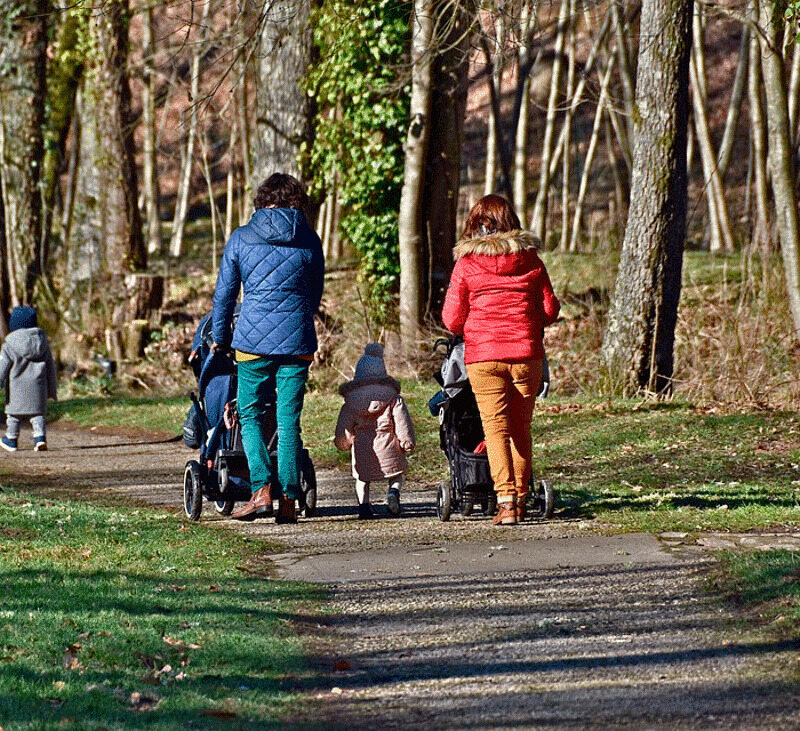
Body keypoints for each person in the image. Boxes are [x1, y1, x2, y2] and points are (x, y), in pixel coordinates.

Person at [212, 173, 324, 523]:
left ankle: (261, 489)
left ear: (261, 201)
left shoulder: (242, 237)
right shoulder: (308, 239)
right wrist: (301, 318)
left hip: (252, 343)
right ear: (296, 202)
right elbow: (315, 291)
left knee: (250, 415)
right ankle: (289, 498)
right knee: (288, 420)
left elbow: (225, 294)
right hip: (297, 341)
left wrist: (220, 336)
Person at [441, 195, 560, 526]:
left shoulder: (466, 265)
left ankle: (506, 503)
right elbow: (550, 310)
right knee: (521, 429)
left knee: (495, 429)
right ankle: (522, 500)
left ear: (475, 224)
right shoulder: (531, 261)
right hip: (525, 355)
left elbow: (451, 320)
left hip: (484, 358)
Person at [334, 343, 416, 519]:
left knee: (362, 479)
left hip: (363, 447)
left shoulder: (350, 402)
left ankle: (364, 506)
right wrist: (406, 442)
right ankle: (393, 493)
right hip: (389, 445)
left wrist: (344, 441)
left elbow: (344, 426)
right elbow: (402, 422)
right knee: (396, 475)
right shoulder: (392, 397)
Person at [0, 305, 58, 452]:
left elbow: (2, 367)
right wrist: (52, 390)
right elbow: (51, 368)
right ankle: (40, 439)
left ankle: (11, 440)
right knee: (38, 415)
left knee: (13, 416)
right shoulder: (43, 342)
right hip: (38, 389)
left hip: (16, 390)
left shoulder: (9, 345)